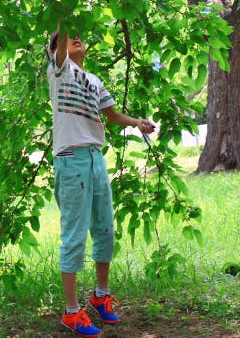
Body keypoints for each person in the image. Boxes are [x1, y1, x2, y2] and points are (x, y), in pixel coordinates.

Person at [47, 22, 156, 337]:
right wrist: (63, 9)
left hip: (95, 158)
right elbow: (61, 31)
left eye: (77, 37)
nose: (75, 38)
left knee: (105, 229)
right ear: (57, 50)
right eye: (67, 39)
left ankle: (100, 295)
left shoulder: (93, 80)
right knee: (74, 236)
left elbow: (112, 115)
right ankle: (71, 312)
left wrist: (137, 122)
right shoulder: (59, 72)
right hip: (71, 159)